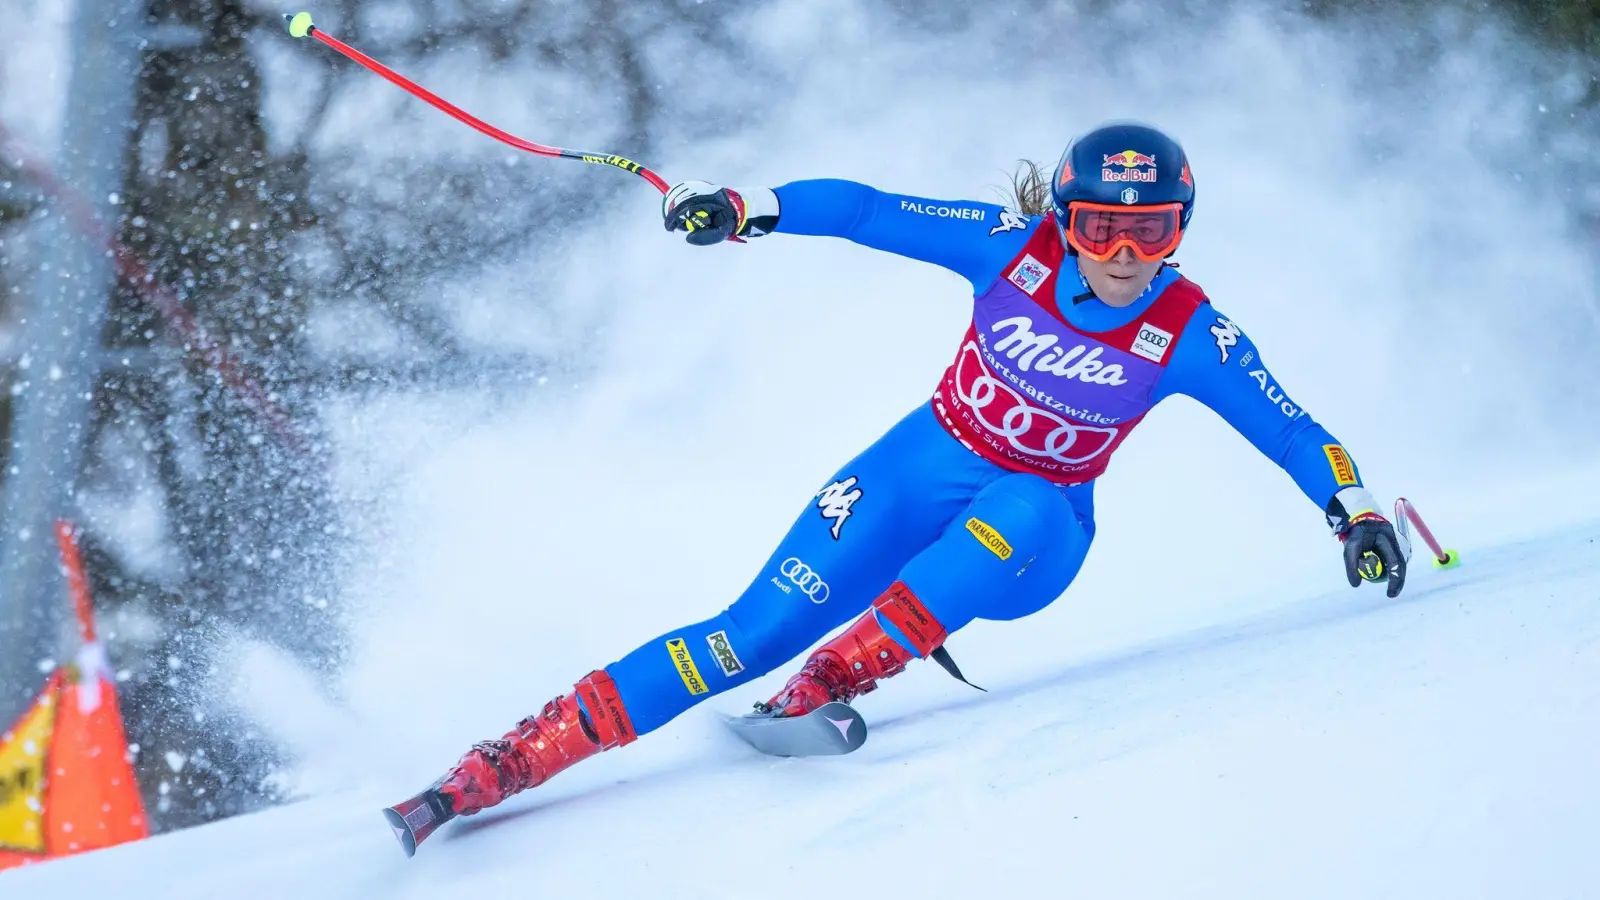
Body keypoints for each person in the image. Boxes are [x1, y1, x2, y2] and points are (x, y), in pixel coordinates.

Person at [398, 121, 1409, 838]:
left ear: (1180, 232)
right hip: (915, 467)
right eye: (1099, 228)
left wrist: (1351, 511)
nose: (1121, 257)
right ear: (1064, 220)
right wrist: (751, 208)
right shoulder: (1004, 248)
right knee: (742, 634)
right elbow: (870, 211)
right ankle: (501, 766)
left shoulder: (1188, 330)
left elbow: (1288, 426)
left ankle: (830, 683)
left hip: (1036, 536)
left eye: (1152, 233)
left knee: (1021, 501)